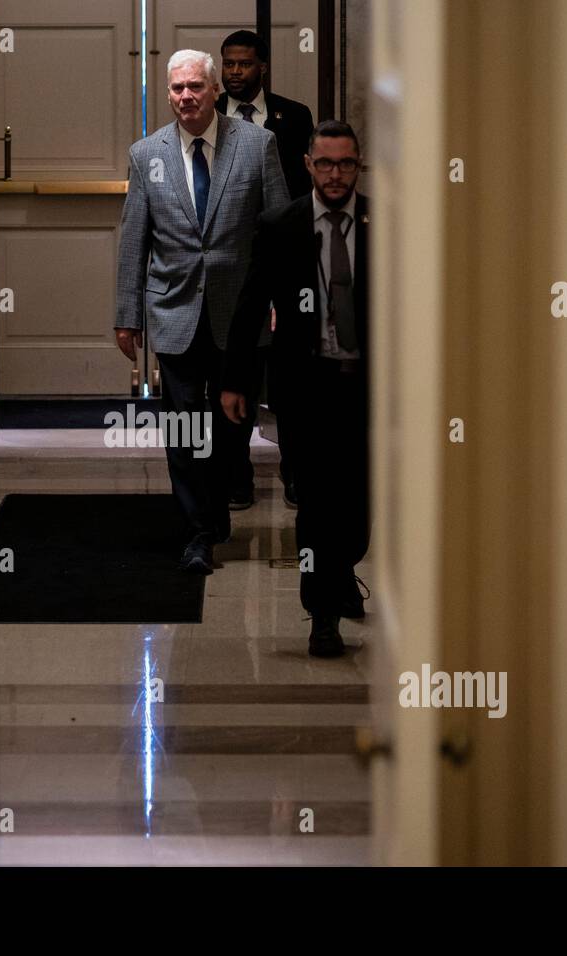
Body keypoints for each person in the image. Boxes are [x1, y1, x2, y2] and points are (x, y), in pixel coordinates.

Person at [114, 50, 289, 574]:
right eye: (176, 89)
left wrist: (283, 298)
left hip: (240, 313)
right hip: (174, 310)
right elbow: (134, 239)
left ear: (215, 90)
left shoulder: (257, 145)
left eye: (194, 87)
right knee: (186, 426)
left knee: (232, 427)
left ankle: (218, 511)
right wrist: (128, 314)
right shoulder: (148, 154)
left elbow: (278, 228)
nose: (185, 97)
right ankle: (196, 532)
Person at [220, 120, 369, 656]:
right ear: (307, 164)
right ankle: (321, 612)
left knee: (358, 504)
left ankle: (344, 568)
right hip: (306, 388)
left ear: (359, 164)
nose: (335, 174)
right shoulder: (281, 224)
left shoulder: (383, 224)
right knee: (315, 502)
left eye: (345, 163)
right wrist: (237, 380)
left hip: (365, 389)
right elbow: (250, 304)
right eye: (325, 163)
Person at [216, 29, 315, 510]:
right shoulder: (208, 114)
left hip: (285, 259)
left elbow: (301, 190)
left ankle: (295, 472)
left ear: (263, 67)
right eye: (228, 64)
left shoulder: (293, 117)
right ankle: (236, 477)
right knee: (237, 371)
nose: (234, 72)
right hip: (232, 263)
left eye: (243, 64)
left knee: (290, 376)